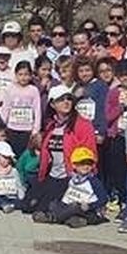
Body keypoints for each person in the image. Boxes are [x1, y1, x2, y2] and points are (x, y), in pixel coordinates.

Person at [26, 85, 97, 219]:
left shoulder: (83, 124)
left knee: (52, 208)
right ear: (53, 104)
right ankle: (74, 215)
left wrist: (85, 173)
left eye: (69, 99)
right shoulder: (51, 125)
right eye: (61, 99)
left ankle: (61, 216)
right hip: (53, 176)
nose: (66, 102)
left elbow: (91, 152)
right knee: (30, 206)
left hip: (72, 177)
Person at [41, 147, 108, 227]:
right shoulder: (71, 179)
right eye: (82, 163)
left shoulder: (93, 181)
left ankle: (53, 218)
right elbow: (65, 195)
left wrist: (90, 206)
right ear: (74, 165)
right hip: (69, 206)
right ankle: (72, 219)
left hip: (87, 209)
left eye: (89, 164)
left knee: (75, 207)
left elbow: (103, 199)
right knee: (53, 204)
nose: (86, 166)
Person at [0, 61, 41, 156]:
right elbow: (6, 108)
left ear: (31, 75)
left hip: (27, 130)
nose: (23, 77)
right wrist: (2, 126)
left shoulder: (33, 90)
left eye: (26, 74)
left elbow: (37, 110)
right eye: (20, 74)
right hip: (12, 129)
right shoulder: (10, 89)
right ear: (16, 75)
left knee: (25, 155)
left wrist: (35, 130)